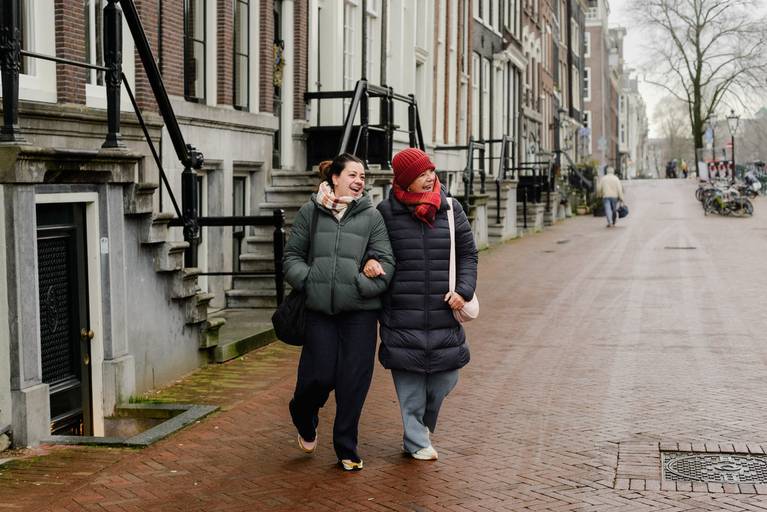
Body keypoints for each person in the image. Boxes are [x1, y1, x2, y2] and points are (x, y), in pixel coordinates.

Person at [283, 153, 395, 472]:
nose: (360, 180)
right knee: (316, 377)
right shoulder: (310, 212)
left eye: (363, 176)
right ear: (334, 177)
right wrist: (311, 281)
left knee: (353, 380)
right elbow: (291, 258)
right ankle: (304, 417)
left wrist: (364, 280)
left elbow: (387, 264)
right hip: (320, 310)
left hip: (360, 312)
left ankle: (346, 446)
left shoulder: (372, 217)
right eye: (353, 174)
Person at [372, 147, 478, 461]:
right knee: (410, 387)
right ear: (405, 180)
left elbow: (469, 254)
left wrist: (464, 290)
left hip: (444, 310)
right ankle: (416, 440)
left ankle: (420, 427)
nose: (429, 178)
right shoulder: (385, 213)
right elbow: (374, 252)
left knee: (446, 378)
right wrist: (371, 264)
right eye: (421, 175)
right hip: (402, 312)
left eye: (430, 171)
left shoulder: (450, 209)